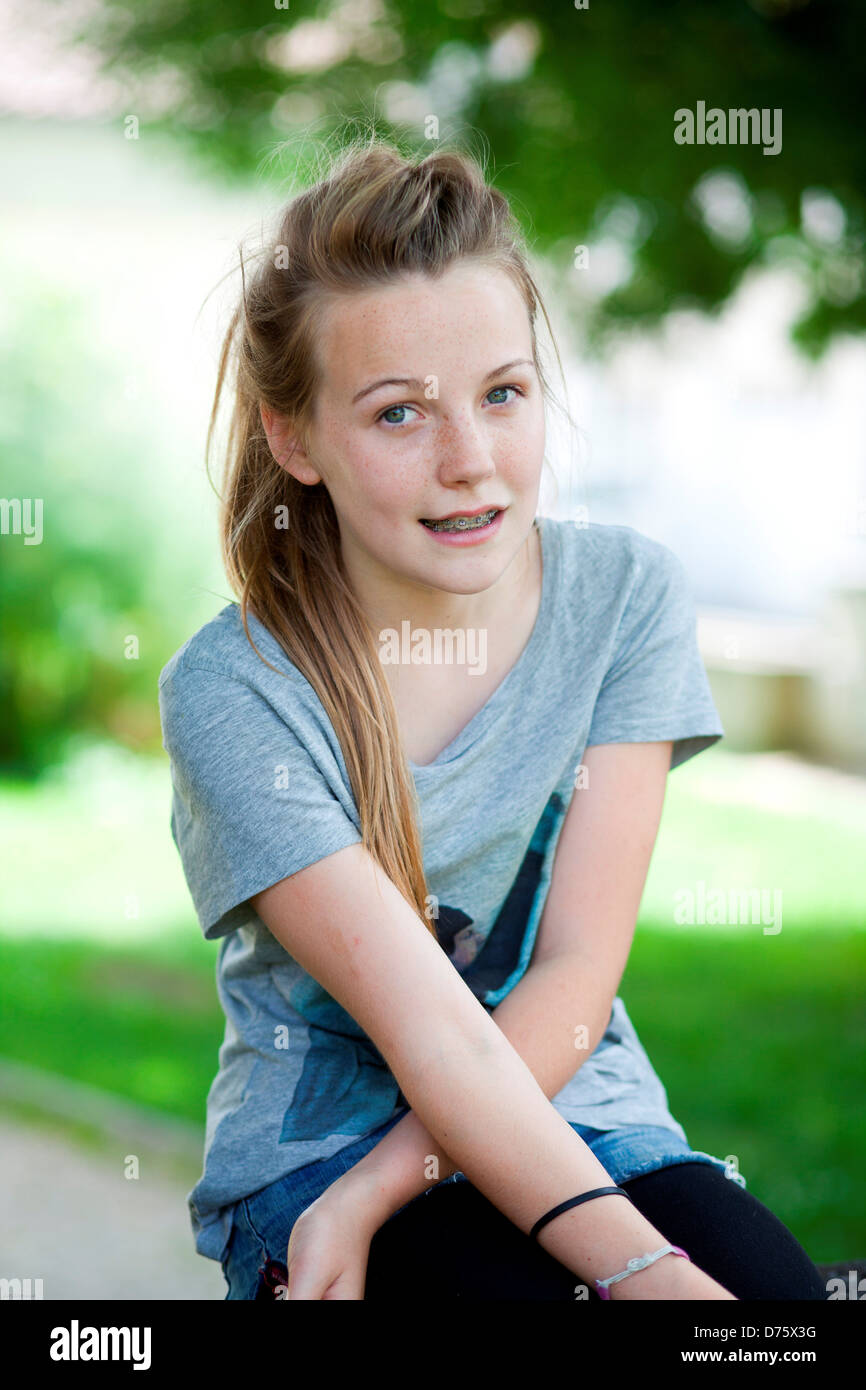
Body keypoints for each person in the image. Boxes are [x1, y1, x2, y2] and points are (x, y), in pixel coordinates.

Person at [158, 134, 827, 1302]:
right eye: (398, 415)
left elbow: (572, 965)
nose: (472, 462)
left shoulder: (623, 596)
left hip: (582, 1120)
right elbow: (439, 1040)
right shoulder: (234, 693)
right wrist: (641, 1276)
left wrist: (641, 1258)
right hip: (314, 1167)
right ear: (293, 436)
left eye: (502, 394)